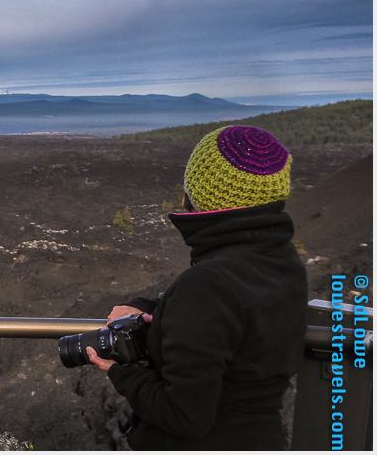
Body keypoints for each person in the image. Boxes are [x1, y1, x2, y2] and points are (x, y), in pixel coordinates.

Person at [86, 125, 307, 450]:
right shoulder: (284, 263)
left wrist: (121, 372)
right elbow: (235, 326)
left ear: (203, 194)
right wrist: (151, 310)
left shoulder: (209, 284)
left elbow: (184, 416)